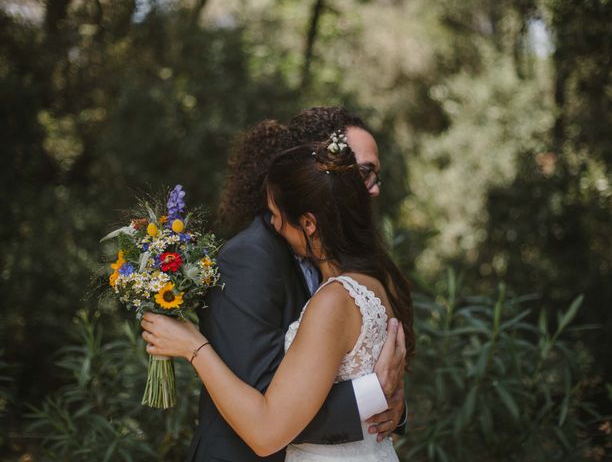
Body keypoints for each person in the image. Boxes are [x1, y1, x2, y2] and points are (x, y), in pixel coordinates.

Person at [141, 134, 414, 460]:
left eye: (275, 212)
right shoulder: (379, 278)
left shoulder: (335, 298)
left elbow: (268, 429)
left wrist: (193, 347)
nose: (272, 222)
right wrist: (374, 395)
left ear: (309, 223)